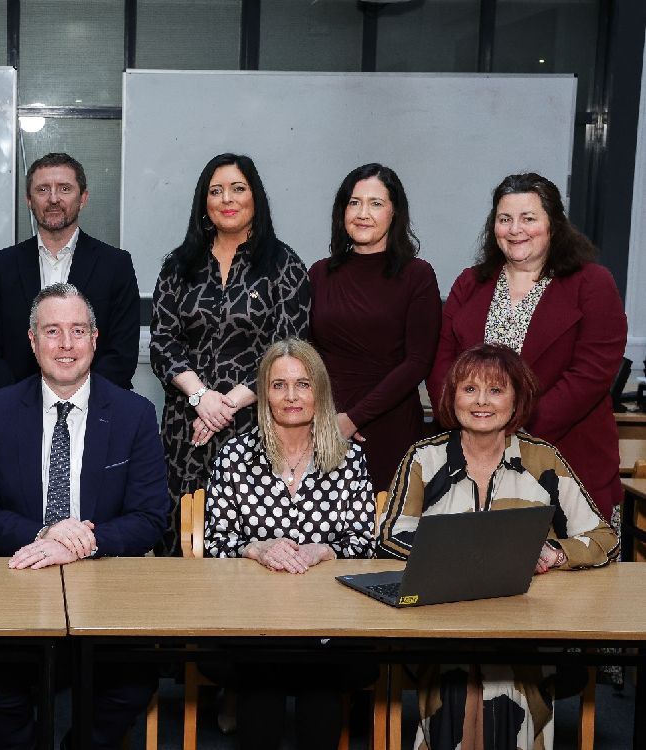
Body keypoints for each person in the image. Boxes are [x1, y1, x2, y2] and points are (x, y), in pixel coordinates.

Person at [0, 283, 169, 750]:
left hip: (107, 590)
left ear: (96, 338)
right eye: (52, 331)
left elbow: (152, 517)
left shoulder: (135, 414)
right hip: (14, 592)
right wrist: (45, 531)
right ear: (32, 341)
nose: (66, 344)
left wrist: (84, 540)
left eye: (77, 330)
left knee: (132, 681)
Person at [381, 343, 618, 750]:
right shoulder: (425, 457)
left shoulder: (542, 460)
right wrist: (463, 563)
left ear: (517, 399)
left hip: (526, 622)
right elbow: (391, 536)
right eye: (469, 389)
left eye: (495, 390)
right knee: (460, 679)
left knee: (501, 678)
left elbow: (603, 537)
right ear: (451, 397)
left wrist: (557, 553)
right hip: (439, 621)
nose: (481, 402)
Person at [203, 338, 375, 749]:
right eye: (279, 385)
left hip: (330, 624)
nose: (292, 396)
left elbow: (366, 544)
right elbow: (214, 543)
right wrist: (255, 548)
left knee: (322, 681)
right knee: (262, 678)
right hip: (253, 622)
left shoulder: (349, 459)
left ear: (320, 391)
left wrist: (324, 550)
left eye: (303, 384)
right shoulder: (234, 456)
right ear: (264, 394)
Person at [429, 172, 627, 523]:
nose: (515, 229)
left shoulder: (592, 283)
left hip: (567, 462)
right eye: (505, 219)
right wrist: (472, 425)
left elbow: (591, 375)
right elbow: (443, 363)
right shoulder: (470, 283)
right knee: (481, 573)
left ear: (553, 225)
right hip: (474, 467)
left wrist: (512, 432)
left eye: (529, 218)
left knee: (580, 574)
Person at [150, 152, 310, 555]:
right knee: (184, 538)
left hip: (260, 426)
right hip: (187, 427)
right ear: (204, 203)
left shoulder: (284, 264)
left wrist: (227, 406)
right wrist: (201, 398)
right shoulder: (178, 264)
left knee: (255, 540)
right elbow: (163, 342)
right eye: (216, 191)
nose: (227, 199)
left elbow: (288, 347)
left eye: (238, 189)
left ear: (255, 196)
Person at [309, 163, 441, 490]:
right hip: (324, 422)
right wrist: (329, 417)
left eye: (376, 203)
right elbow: (306, 355)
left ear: (395, 213)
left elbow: (418, 363)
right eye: (354, 203)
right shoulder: (319, 273)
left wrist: (352, 419)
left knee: (387, 525)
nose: (363, 213)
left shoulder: (417, 275)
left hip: (389, 423)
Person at [0, 152, 140, 390]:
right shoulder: (2, 265)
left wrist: (75, 400)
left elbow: (122, 353)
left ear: (83, 198)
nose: (54, 198)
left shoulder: (116, 265)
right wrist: (21, 402)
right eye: (43, 189)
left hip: (96, 410)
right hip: (16, 410)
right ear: (29, 199)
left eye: (65, 189)